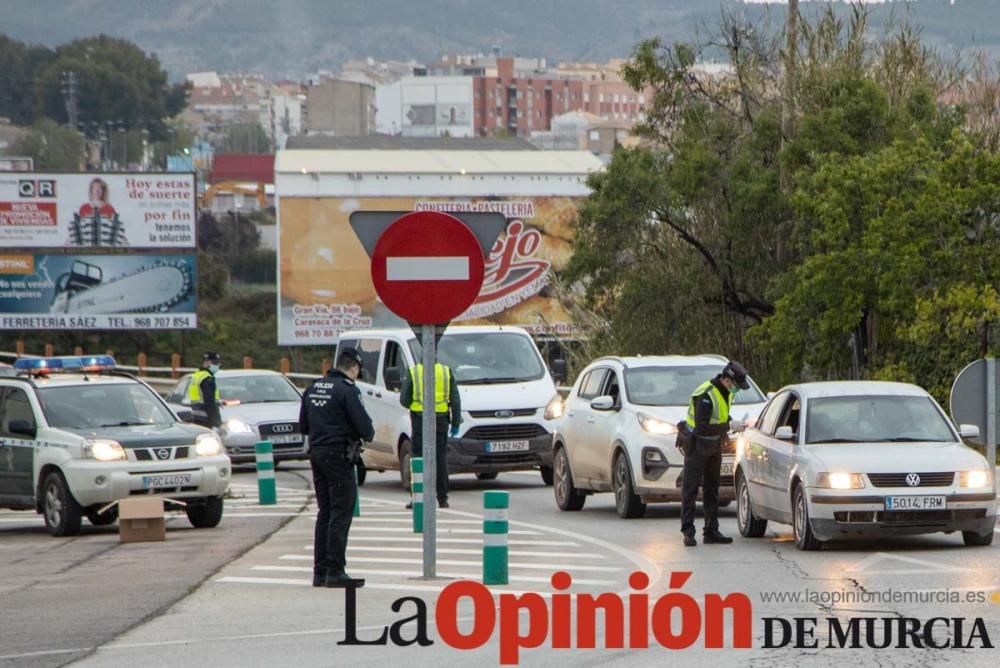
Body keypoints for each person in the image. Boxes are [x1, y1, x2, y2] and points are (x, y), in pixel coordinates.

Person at [300, 347, 374, 588]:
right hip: (338, 455)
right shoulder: (347, 390)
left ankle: (319, 572)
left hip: (317, 453)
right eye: (358, 370)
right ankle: (335, 571)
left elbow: (303, 426)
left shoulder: (312, 388)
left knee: (325, 511)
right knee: (341, 512)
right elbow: (366, 429)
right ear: (353, 368)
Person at [680, 361, 749, 547]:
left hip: (714, 445)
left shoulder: (725, 392)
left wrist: (733, 423)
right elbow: (703, 426)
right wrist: (728, 426)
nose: (737, 390)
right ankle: (688, 531)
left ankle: (711, 531)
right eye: (736, 386)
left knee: (712, 489)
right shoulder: (706, 394)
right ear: (727, 380)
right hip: (697, 445)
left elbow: (719, 416)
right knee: (691, 488)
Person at [400, 360, 461, 509]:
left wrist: (417, 405)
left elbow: (404, 399)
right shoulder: (445, 371)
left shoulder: (414, 371)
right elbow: (455, 399)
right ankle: (442, 498)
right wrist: (456, 423)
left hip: (420, 419)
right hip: (440, 420)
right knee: (440, 457)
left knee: (419, 459)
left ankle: (417, 498)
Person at [69, 177, 127, 246]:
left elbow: (114, 232)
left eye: (100, 188)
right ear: (91, 190)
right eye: (95, 188)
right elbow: (79, 230)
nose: (97, 191)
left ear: (103, 191)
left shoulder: (109, 209)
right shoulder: (84, 208)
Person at [189, 352, 222, 429]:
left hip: (196, 415)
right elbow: (210, 401)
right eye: (215, 363)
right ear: (207, 363)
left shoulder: (197, 375)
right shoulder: (207, 378)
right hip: (206, 417)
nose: (218, 365)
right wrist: (217, 422)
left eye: (218, 363)